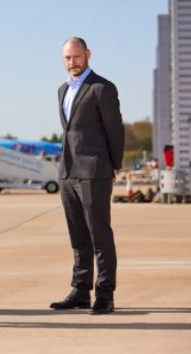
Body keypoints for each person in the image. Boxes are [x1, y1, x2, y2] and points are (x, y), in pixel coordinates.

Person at [50, 37, 125, 315]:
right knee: (78, 236)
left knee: (99, 236)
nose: (73, 63)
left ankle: (105, 293)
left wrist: (114, 165)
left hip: (94, 171)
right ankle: (81, 290)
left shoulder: (102, 88)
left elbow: (115, 130)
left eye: (77, 57)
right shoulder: (62, 90)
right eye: (68, 58)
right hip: (67, 172)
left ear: (88, 55)